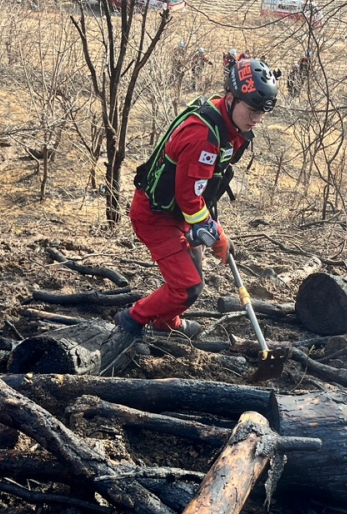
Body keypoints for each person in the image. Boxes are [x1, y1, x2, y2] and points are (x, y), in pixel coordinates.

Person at [116, 58, 278, 337]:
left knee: (195, 278)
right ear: (230, 99)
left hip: (178, 211)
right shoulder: (203, 136)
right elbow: (189, 199)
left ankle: (166, 323)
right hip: (156, 216)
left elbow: (200, 189)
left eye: (261, 113)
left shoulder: (227, 120)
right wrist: (216, 235)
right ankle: (131, 319)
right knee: (187, 286)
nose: (256, 120)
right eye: (252, 111)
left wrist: (210, 230)